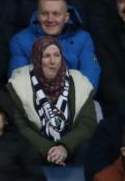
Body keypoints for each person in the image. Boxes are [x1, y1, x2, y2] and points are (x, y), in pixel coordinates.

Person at [7, 35, 97, 165]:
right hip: (36, 148)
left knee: (87, 149)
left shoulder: (80, 83)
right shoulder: (18, 84)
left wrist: (64, 146)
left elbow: (87, 124)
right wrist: (49, 149)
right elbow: (20, 126)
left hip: (72, 147)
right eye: (46, 56)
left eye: (57, 55)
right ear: (36, 58)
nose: (52, 61)